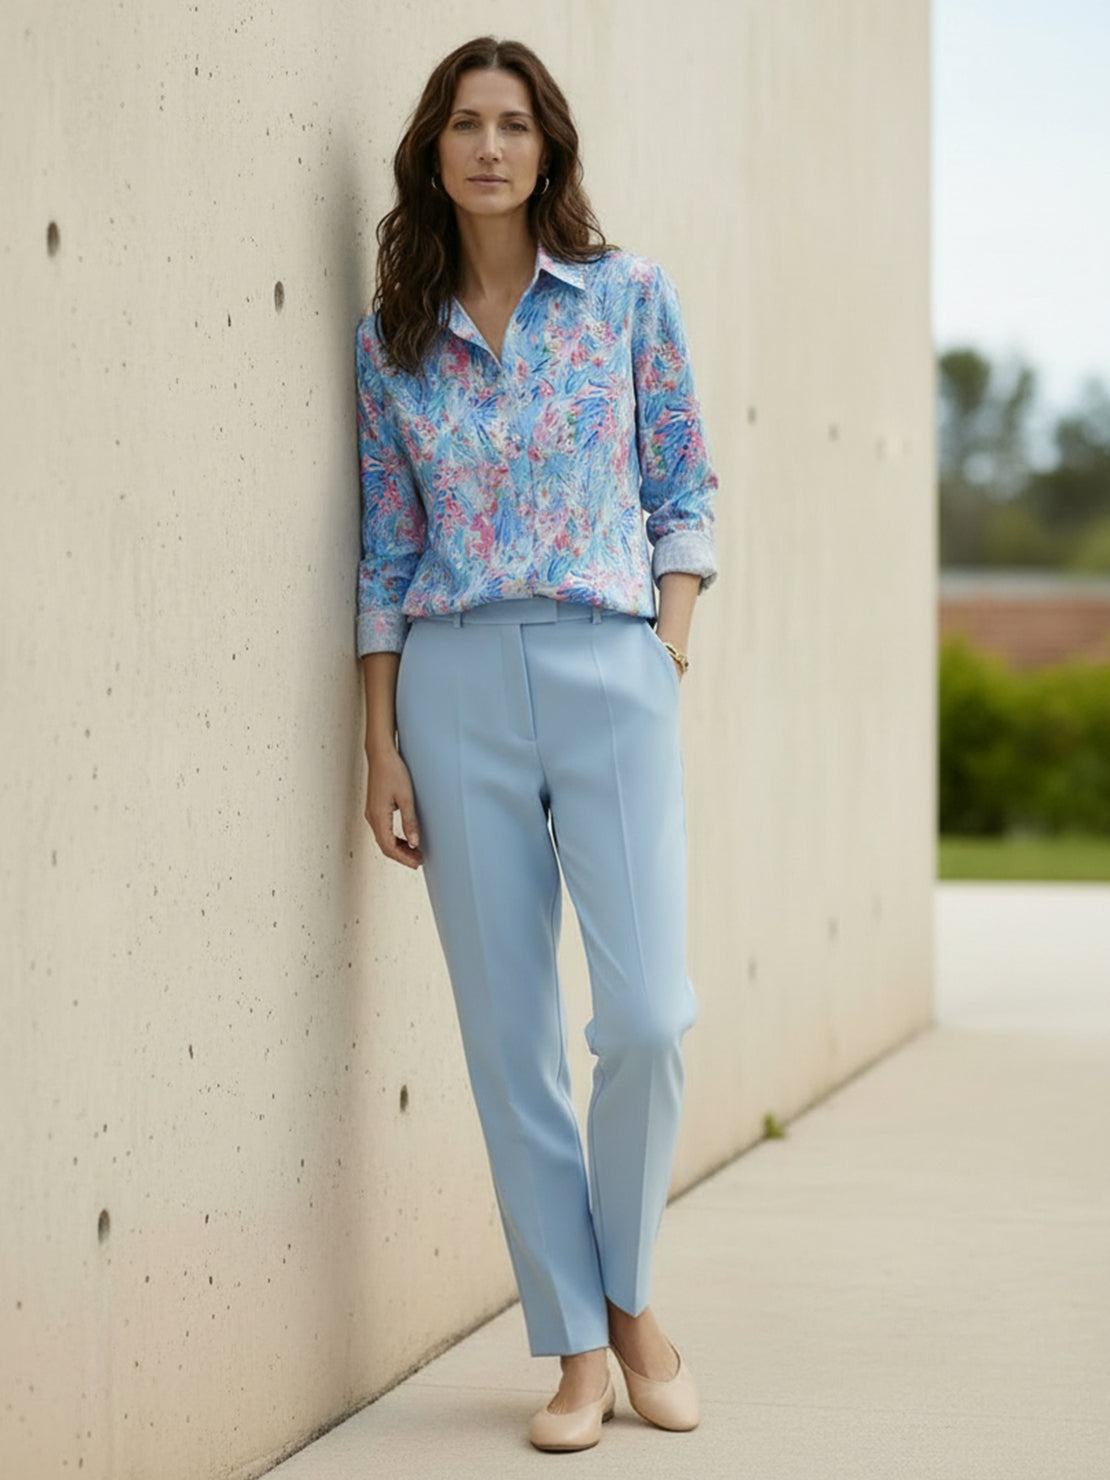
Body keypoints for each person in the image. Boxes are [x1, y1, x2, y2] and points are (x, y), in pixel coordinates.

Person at [355, 35, 718, 1453]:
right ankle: (574, 1346)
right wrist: (378, 744)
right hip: (449, 685)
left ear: (548, 149)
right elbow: (384, 550)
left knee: (645, 1018)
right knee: (507, 1041)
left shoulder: (625, 298)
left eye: (513, 125)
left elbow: (682, 486)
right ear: (432, 151)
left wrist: (663, 649)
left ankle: (633, 1299)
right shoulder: (396, 334)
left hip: (606, 661)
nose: (489, 148)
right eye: (464, 124)